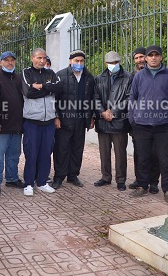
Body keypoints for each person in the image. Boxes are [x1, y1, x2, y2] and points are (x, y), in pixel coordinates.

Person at [128, 45, 168, 203]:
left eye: (156, 55)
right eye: (150, 55)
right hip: (142, 125)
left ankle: (167, 189)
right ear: (146, 58)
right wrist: (133, 118)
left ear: (161, 57)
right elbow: (132, 98)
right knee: (143, 157)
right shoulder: (139, 76)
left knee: (164, 159)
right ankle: (143, 186)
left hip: (163, 126)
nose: (153, 58)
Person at [21, 48, 62, 196]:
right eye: (39, 58)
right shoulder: (26, 73)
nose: (42, 61)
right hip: (32, 121)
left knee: (46, 153)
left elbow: (59, 87)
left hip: (49, 121)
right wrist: (49, 89)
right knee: (31, 154)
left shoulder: (50, 73)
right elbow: (28, 92)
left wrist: (42, 86)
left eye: (44, 58)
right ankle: (29, 184)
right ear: (32, 58)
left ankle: (43, 182)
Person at [52, 50, 95, 189]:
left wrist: (91, 117)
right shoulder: (60, 76)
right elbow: (54, 99)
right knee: (61, 149)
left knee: (77, 148)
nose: (79, 63)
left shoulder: (88, 77)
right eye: (76, 61)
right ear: (70, 61)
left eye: (82, 61)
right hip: (64, 120)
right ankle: (59, 177)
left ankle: (73, 175)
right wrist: (56, 116)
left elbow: (92, 99)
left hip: (81, 120)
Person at [93, 51, 133, 191]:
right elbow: (95, 98)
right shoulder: (99, 78)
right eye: (111, 63)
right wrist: (102, 112)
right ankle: (105, 177)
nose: (113, 65)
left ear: (120, 62)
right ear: (106, 64)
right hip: (103, 121)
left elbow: (129, 99)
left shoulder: (128, 77)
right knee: (104, 152)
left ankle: (121, 180)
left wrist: (113, 111)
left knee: (120, 153)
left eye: (116, 62)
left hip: (120, 122)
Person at [0, 51, 24, 196]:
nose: (10, 63)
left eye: (12, 60)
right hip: (1, 126)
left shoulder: (18, 78)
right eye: (6, 60)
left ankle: (11, 178)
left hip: (16, 125)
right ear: (1, 62)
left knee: (14, 154)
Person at [128, 47, 162, 194]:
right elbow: (130, 98)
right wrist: (132, 119)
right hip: (139, 122)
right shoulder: (133, 76)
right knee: (140, 153)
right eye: (136, 58)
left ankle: (153, 182)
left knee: (155, 153)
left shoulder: (161, 74)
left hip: (157, 122)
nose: (140, 60)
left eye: (142, 57)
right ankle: (141, 180)